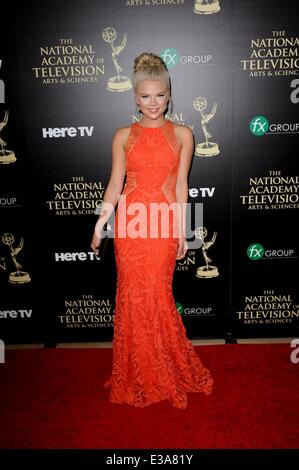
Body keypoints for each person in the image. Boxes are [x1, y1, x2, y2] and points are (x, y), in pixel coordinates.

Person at [91, 52, 213, 409]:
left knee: (158, 295)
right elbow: (115, 183)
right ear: (135, 96)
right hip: (130, 226)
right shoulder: (122, 136)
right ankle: (136, 373)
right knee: (132, 296)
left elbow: (181, 187)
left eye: (160, 95)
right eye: (145, 96)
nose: (153, 103)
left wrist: (183, 232)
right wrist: (101, 225)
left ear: (169, 94)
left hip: (161, 226)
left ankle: (165, 370)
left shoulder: (184, 135)